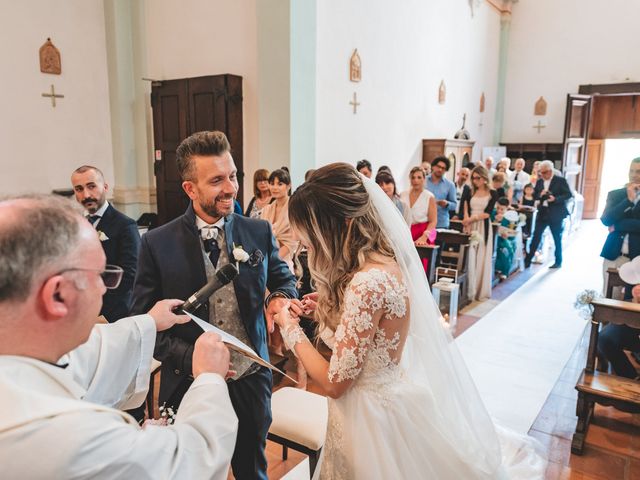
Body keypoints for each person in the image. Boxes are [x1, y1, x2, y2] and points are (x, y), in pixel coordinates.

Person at [269, 163, 544, 479]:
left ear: (341, 224)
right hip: (391, 401)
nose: (309, 245)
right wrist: (327, 308)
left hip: (368, 421)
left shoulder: (365, 283)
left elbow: (334, 384)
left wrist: (289, 329)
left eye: (313, 234)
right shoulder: (384, 263)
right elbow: (376, 326)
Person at [0, 194, 237, 479]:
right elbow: (190, 461)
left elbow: (85, 355)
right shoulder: (67, 437)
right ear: (58, 294)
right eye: (99, 276)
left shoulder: (22, 352)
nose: (104, 289)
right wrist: (208, 378)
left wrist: (149, 323)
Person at [131, 131, 298, 480]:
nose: (231, 188)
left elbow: (284, 279)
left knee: (252, 468)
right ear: (190, 189)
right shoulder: (157, 244)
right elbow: (144, 322)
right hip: (188, 383)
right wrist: (189, 359)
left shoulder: (258, 231)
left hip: (252, 378)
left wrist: (279, 298)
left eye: (233, 175)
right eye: (217, 180)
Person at [70, 165, 140, 322]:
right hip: (81, 311)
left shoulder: (125, 225)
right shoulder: (75, 223)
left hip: (114, 312)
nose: (86, 194)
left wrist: (102, 311)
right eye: (79, 189)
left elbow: (130, 275)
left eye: (92, 186)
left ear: (105, 187)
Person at [600, 157, 640, 294]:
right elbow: (606, 220)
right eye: (632, 171)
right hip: (614, 255)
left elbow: (613, 223)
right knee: (610, 299)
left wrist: (617, 226)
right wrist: (628, 201)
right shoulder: (616, 195)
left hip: (638, 258)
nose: (634, 175)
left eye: (639, 172)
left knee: (634, 303)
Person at [524, 160, 573, 269]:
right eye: (541, 173)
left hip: (556, 213)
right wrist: (540, 195)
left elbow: (568, 194)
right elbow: (535, 195)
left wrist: (555, 199)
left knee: (556, 238)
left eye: (545, 172)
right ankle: (528, 260)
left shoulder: (560, 180)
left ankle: (558, 261)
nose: (543, 175)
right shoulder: (540, 182)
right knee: (536, 236)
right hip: (543, 213)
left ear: (550, 171)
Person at [598, 256, 640, 379]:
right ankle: (629, 376)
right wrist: (635, 297)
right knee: (605, 338)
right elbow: (626, 299)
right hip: (633, 317)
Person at [462, 166, 498, 301]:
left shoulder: (492, 193)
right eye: (473, 178)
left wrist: (472, 219)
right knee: (470, 255)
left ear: (484, 178)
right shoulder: (470, 190)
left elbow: (488, 213)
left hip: (482, 224)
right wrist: (466, 220)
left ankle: (479, 289)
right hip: (470, 224)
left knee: (481, 255)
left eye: (478, 178)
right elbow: (465, 205)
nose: (475, 180)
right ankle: (469, 289)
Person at [400, 167, 437, 273]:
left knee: (419, 268)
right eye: (413, 177)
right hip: (406, 232)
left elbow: (433, 221)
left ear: (424, 179)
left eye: (419, 177)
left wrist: (424, 237)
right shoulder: (403, 194)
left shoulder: (429, 196)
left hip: (422, 232)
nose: (415, 180)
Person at [262, 167, 299, 272]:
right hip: (266, 260)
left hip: (284, 263)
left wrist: (273, 260)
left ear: (288, 186)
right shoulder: (266, 209)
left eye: (280, 184)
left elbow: (292, 241)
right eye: (272, 183)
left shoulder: (294, 209)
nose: (274, 187)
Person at [426, 156, 458, 229]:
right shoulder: (424, 181)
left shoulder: (450, 185)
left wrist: (447, 204)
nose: (440, 169)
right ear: (433, 167)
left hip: (441, 224)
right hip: (424, 221)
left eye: (443, 168)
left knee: (437, 240)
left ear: (446, 170)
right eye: (438, 166)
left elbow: (454, 205)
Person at [492, 197, 518, 281]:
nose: (499, 211)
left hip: (506, 239)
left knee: (505, 248)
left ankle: (504, 271)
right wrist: (495, 220)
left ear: (507, 208)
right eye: (498, 208)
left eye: (502, 209)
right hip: (493, 237)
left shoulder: (511, 217)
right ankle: (494, 267)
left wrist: (507, 235)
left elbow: (513, 232)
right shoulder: (493, 213)